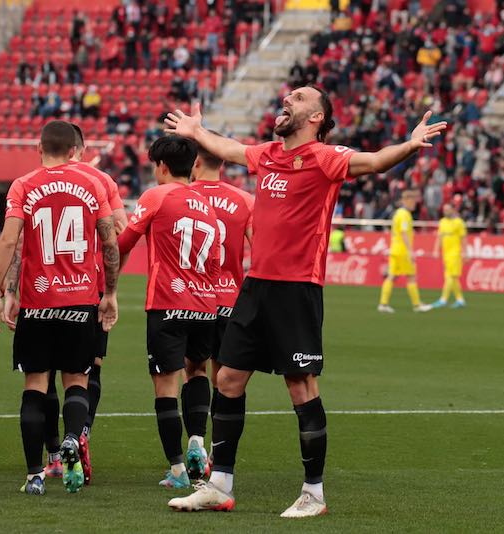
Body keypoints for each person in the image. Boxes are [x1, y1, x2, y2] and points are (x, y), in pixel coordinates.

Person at [163, 86, 446, 516]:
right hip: (256, 287)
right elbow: (231, 148)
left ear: (316, 117)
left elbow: (373, 161)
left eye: (298, 97)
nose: (287, 99)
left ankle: (313, 493)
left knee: (300, 386)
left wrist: (409, 144)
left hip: (297, 289)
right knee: (228, 380)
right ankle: (220, 485)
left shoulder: (327, 158)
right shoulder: (270, 154)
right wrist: (198, 132)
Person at [0, 120, 119, 496]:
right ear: (74, 150)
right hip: (80, 300)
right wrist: (109, 293)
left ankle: (33, 475)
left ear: (39, 147)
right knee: (77, 380)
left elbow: (10, 240)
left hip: (38, 301)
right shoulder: (93, 183)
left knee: (35, 385)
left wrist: (0, 291)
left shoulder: (24, 185)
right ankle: (73, 441)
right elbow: (109, 243)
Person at [117, 135, 221, 489]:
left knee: (165, 385)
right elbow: (216, 259)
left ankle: (177, 469)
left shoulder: (155, 196)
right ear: (193, 165)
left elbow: (124, 244)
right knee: (197, 371)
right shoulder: (207, 204)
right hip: (206, 304)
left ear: (161, 167)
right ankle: (196, 441)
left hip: (167, 303)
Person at [188, 141, 253, 470]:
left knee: (193, 372)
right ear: (223, 163)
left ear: (195, 162)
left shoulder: (182, 196)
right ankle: (217, 454)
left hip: (195, 298)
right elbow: (261, 252)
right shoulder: (244, 201)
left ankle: (195, 444)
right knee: (223, 381)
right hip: (231, 299)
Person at [378, 190, 432, 313]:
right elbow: (403, 232)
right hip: (402, 251)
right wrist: (410, 251)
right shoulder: (404, 215)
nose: (414, 204)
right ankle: (417, 305)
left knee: (391, 276)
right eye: (413, 201)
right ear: (407, 200)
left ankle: (383, 304)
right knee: (411, 276)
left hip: (395, 249)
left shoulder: (398, 213)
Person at [431, 203, 467, 309]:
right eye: (444, 209)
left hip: (455, 253)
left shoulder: (459, 222)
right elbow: (440, 237)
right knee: (453, 278)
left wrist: (465, 252)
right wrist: (436, 249)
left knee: (450, 276)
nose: (445, 211)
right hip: (445, 254)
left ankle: (443, 299)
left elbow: (463, 238)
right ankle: (460, 300)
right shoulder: (442, 222)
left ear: (453, 210)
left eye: (447, 209)